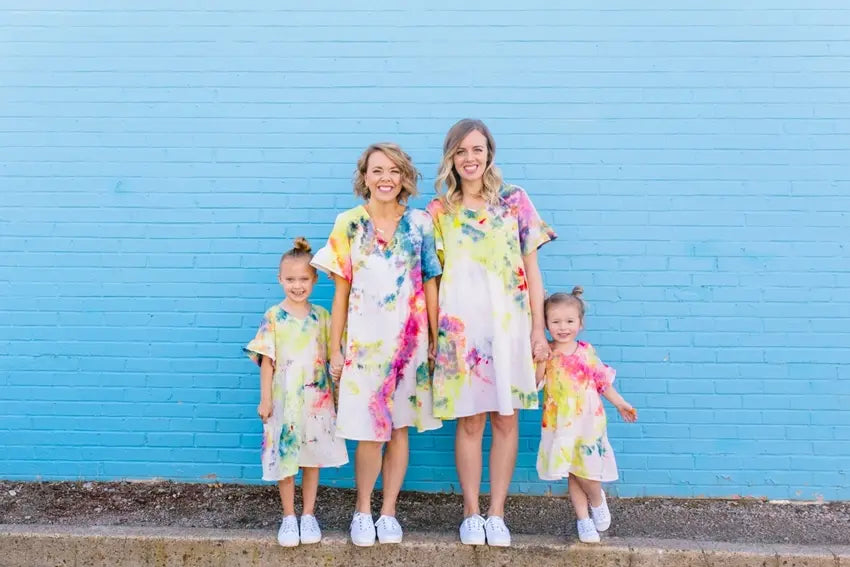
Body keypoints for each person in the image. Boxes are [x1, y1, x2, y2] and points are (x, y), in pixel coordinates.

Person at [427, 119, 556, 547]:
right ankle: (471, 512)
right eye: (461, 151)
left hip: (509, 329)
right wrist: (432, 337)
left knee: (506, 419)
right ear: (451, 157)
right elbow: (431, 277)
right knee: (469, 423)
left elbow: (532, 272)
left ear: (489, 154)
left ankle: (497, 513)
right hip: (460, 332)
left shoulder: (515, 202)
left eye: (477, 149)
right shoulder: (438, 212)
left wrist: (539, 331)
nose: (470, 158)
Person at [311, 142, 442, 547]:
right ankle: (363, 511)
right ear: (364, 177)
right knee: (370, 431)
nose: (386, 178)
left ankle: (388, 512)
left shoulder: (420, 223)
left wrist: (437, 339)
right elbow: (339, 293)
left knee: (399, 429)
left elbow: (431, 284)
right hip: (364, 346)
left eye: (394, 171)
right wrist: (335, 348)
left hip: (409, 346)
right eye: (377, 171)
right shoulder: (348, 223)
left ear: (404, 178)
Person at [244, 237, 348, 547]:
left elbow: (333, 357)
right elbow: (267, 361)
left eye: (303, 279)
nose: (297, 285)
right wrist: (265, 399)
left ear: (314, 279)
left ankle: (309, 514)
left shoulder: (322, 317)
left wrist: (340, 387)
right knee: (286, 458)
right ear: (280, 280)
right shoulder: (274, 316)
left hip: (316, 402)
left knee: (311, 458)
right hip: (285, 401)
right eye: (290, 279)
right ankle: (289, 516)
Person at [535, 287, 638, 543]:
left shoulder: (585, 351)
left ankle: (596, 498)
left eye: (569, 321)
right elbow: (535, 384)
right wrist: (538, 360)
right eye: (555, 321)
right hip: (560, 424)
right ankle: (583, 520)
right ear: (546, 323)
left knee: (588, 471)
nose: (563, 327)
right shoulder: (547, 352)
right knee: (572, 470)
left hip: (588, 422)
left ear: (580, 323)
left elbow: (603, 382)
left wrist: (621, 403)